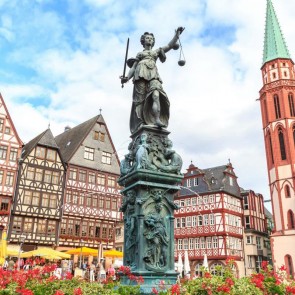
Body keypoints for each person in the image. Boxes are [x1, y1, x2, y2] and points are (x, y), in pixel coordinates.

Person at [121, 27, 184, 133]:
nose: (149, 39)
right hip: (140, 74)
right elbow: (133, 67)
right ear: (143, 41)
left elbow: (169, 45)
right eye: (147, 38)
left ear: (153, 41)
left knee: (156, 95)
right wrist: (127, 78)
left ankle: (157, 119)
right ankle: (140, 122)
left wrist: (177, 35)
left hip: (153, 75)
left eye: (151, 38)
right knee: (140, 100)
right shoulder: (140, 54)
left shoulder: (156, 52)